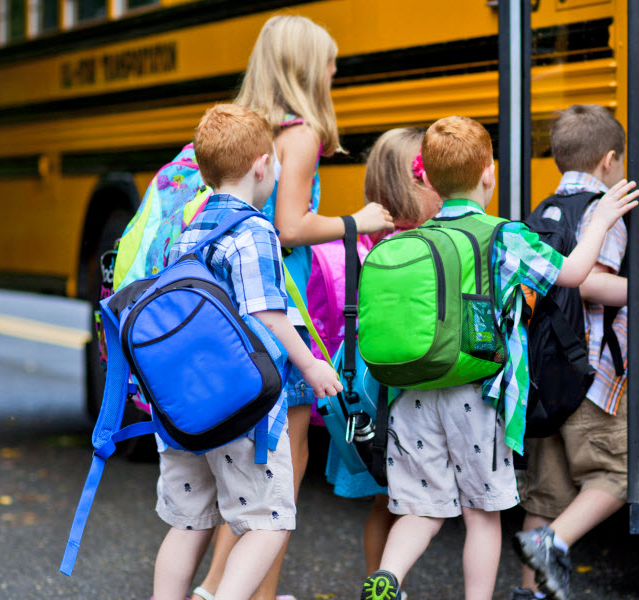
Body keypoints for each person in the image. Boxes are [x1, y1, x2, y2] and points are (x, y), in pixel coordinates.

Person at [358, 115, 639, 600]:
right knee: (482, 515)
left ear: (425, 177)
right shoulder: (503, 236)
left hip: (413, 396)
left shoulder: (411, 239)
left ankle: (387, 578)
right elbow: (573, 273)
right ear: (489, 173)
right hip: (477, 396)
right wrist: (600, 220)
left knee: (420, 511)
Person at [191, 15, 394, 600]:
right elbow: (288, 226)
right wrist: (359, 220)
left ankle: (218, 587)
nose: (335, 72)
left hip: (235, 312)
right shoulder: (300, 134)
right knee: (284, 471)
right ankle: (240, 592)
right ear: (306, 69)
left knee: (249, 473)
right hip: (282, 306)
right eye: (330, 62)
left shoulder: (252, 129)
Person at [510, 105, 639, 600]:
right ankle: (552, 542)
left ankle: (530, 594)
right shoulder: (608, 208)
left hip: (544, 375)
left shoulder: (540, 213)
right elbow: (590, 283)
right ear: (609, 159)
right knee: (620, 472)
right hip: (591, 378)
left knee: (546, 490)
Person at [152, 103, 343, 600]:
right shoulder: (255, 230)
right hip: (243, 405)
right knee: (269, 521)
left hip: (186, 405)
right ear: (263, 166)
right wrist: (312, 364)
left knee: (188, 523)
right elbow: (266, 314)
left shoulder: (188, 228)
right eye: (275, 163)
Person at [321, 127, 441, 580]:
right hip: (399, 386)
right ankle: (387, 581)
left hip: (366, 380)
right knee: (412, 497)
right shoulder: (418, 247)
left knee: (382, 500)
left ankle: (379, 580)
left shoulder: (369, 241)